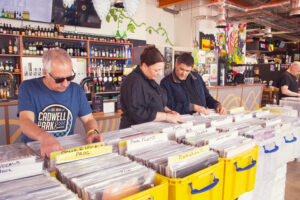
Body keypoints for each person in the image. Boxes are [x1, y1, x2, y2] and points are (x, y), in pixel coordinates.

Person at [18, 48, 102, 158]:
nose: (65, 84)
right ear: (45, 73)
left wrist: (92, 131)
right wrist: (45, 137)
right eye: (59, 80)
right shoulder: (28, 87)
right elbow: (25, 121)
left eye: (69, 77)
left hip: (63, 151)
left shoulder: (76, 90)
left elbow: (89, 119)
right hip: (33, 152)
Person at [120, 46, 184, 129]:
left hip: (151, 128)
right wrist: (166, 117)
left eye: (160, 70)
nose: (160, 74)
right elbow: (138, 113)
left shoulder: (150, 79)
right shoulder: (134, 81)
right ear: (144, 66)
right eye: (156, 70)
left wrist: (168, 111)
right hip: (135, 131)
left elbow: (156, 103)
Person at [160, 53, 226, 115]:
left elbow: (207, 97)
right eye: (181, 69)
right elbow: (168, 106)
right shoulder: (166, 83)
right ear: (176, 64)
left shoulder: (197, 78)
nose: (184, 73)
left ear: (191, 68)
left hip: (203, 117)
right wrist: (192, 107)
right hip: (183, 121)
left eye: (187, 71)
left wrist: (216, 105)